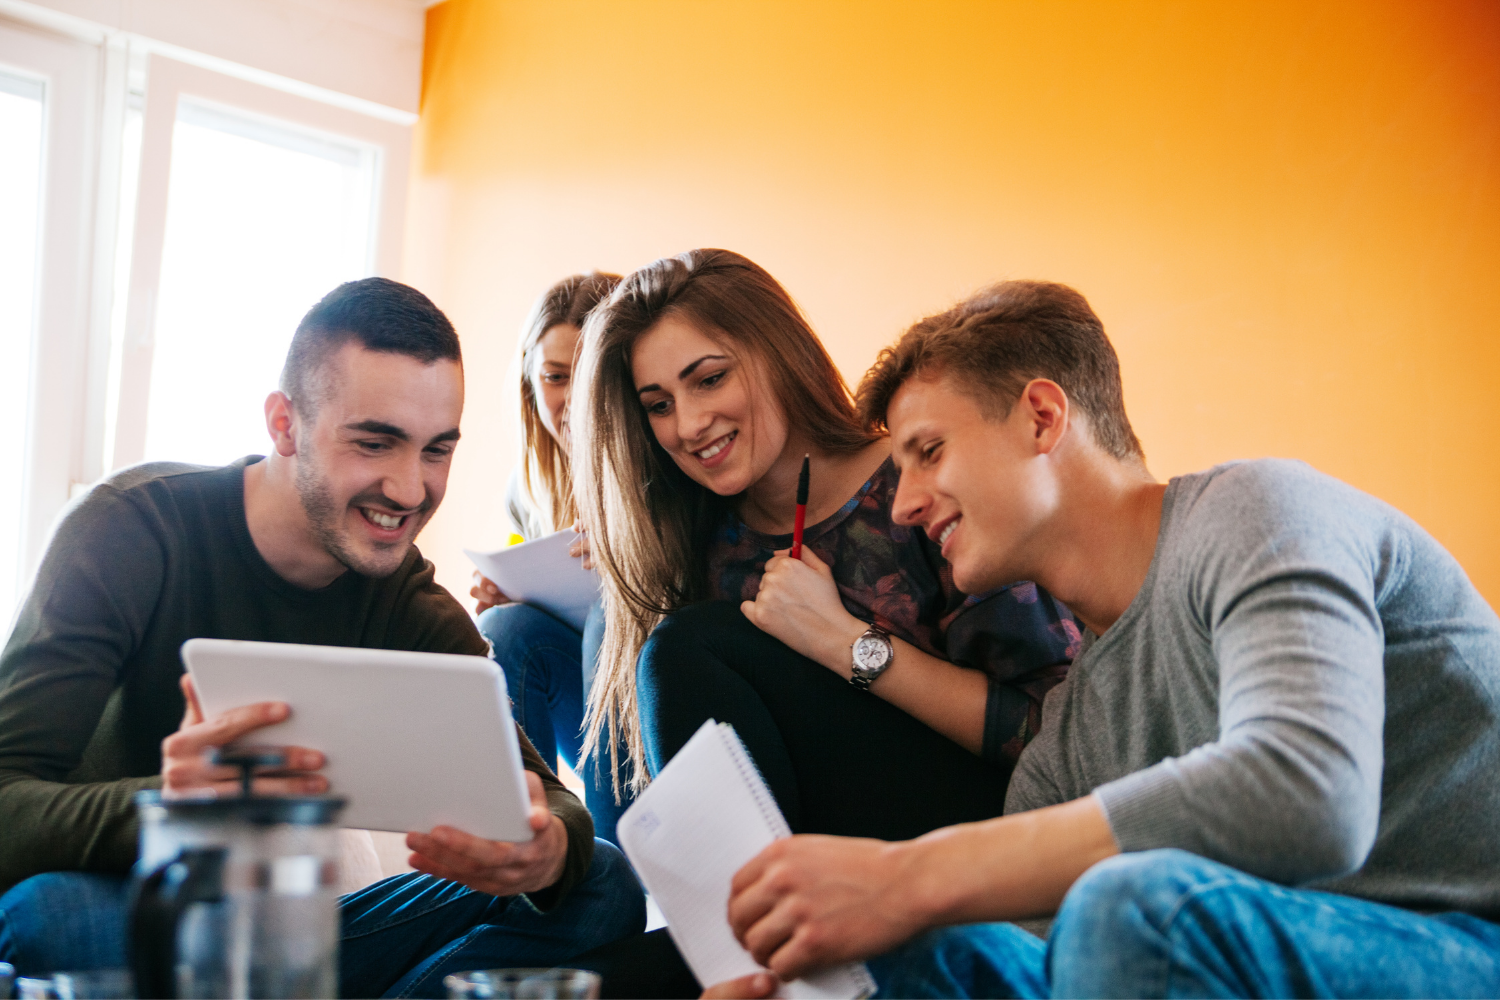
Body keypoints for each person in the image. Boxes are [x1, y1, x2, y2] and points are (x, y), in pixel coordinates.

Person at [708, 280, 1500, 999]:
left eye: (929, 452)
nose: (905, 503)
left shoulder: (1258, 513)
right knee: (916, 955)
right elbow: (1032, 973)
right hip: (1254, 964)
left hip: (1467, 941)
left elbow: (1311, 795)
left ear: (1042, 417)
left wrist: (907, 873)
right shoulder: (1068, 740)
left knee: (1126, 910)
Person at [0, 278, 643, 996]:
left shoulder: (403, 598)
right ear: (284, 424)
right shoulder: (130, 529)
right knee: (46, 917)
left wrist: (545, 850)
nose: (408, 490)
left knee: (600, 879)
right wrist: (166, 806)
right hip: (141, 909)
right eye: (376, 442)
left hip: (307, 934)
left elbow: (545, 798)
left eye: (437, 450)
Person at [569, 249, 1078, 842]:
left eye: (710, 379)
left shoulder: (921, 484)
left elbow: (1053, 733)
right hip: (813, 861)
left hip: (984, 835)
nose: (688, 425)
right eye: (659, 406)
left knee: (682, 646)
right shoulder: (695, 541)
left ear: (779, 354)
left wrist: (847, 645)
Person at [468, 271, 631, 844]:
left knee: (614, 617)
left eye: (592, 376)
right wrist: (510, 593)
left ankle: (618, 866)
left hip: (663, 718)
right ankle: (529, 843)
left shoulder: (671, 461)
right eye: (557, 377)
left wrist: (630, 560)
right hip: (586, 713)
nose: (574, 398)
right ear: (530, 385)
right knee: (502, 627)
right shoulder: (530, 488)